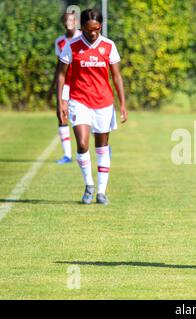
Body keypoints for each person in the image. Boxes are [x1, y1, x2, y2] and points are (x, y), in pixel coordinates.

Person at [56, 8, 128, 205]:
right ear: (82, 28)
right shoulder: (72, 46)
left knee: (102, 146)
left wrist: (122, 104)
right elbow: (61, 74)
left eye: (97, 29)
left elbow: (117, 76)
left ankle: (101, 191)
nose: (93, 33)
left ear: (101, 26)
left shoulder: (109, 46)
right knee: (82, 144)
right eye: (89, 30)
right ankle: (89, 185)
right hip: (79, 101)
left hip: (104, 103)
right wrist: (61, 101)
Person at [48, 12, 82, 164]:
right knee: (62, 115)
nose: (69, 22)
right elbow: (59, 67)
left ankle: (102, 146)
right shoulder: (60, 42)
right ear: (63, 22)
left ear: (76, 22)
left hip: (81, 84)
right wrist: (52, 87)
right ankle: (67, 155)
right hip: (66, 84)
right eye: (66, 20)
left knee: (87, 118)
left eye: (72, 20)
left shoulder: (82, 37)